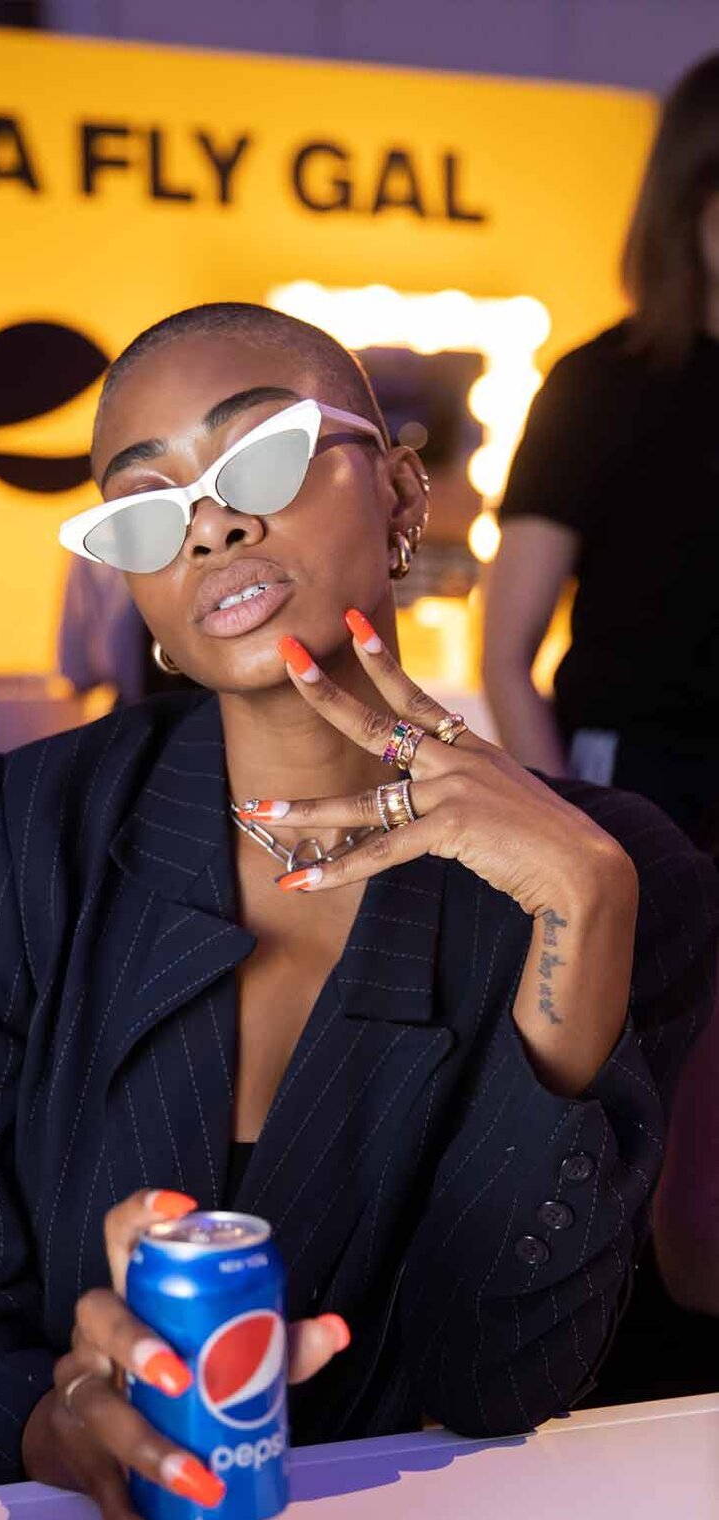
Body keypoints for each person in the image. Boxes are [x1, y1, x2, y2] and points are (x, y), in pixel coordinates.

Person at [0, 301, 719, 1520]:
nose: (210, 523)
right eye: (146, 507)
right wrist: (51, 1420)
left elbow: (496, 1375)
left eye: (262, 456)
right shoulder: (30, 828)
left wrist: (580, 914)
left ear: (403, 492)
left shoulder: (610, 866)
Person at [487, 52, 719, 1380]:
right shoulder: (605, 381)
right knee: (640, 1148)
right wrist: (569, 841)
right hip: (641, 794)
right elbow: (508, 646)